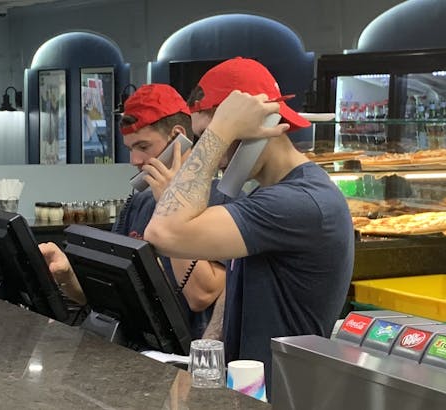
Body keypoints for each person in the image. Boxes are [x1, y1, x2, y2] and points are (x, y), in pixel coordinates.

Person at [145, 58, 354, 375]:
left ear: (263, 126)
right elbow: (233, 285)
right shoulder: (270, 195)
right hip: (248, 391)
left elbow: (164, 233)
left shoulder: (302, 202)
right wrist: (206, 362)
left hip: (281, 396)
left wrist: (221, 131)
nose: (215, 157)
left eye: (216, 136)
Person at [38, 84, 227, 338]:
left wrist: (169, 206)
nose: (134, 160)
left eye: (144, 147)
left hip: (187, 357)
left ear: (178, 138)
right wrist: (67, 275)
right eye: (130, 148)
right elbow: (108, 295)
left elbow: (202, 296)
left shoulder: (222, 199)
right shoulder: (139, 203)